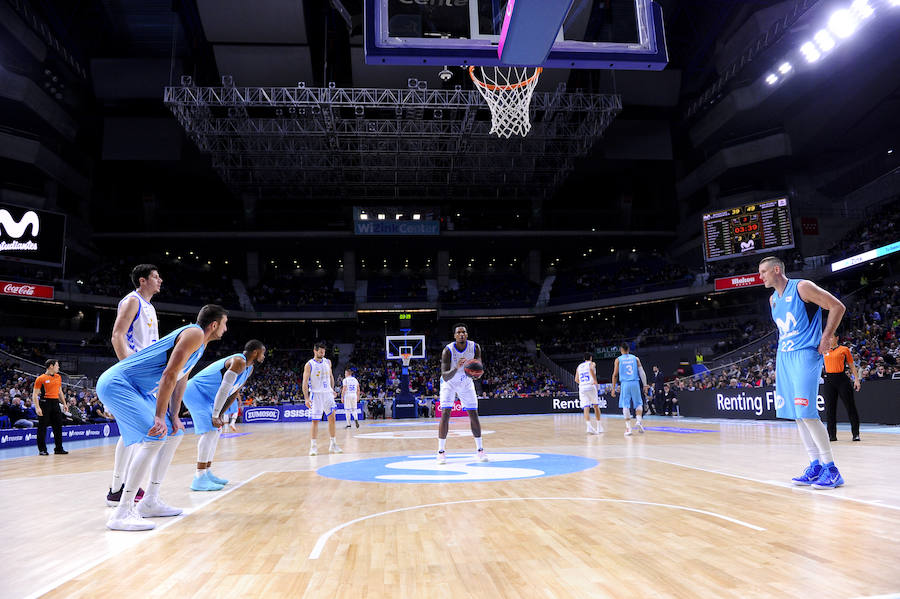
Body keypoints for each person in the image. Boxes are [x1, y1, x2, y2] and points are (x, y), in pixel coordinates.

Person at [96, 304, 227, 530]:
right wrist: (158, 415)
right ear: (214, 325)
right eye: (224, 325)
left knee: (174, 432)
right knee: (155, 435)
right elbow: (168, 375)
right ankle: (122, 511)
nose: (226, 330)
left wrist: (174, 415)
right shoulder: (194, 333)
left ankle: (150, 501)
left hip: (137, 389)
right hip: (118, 383)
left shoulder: (200, 344)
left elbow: (180, 378)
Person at [758, 256, 846, 489]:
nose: (761, 276)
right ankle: (815, 464)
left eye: (764, 271)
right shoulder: (772, 299)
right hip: (784, 357)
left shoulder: (802, 287)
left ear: (777, 269)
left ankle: (832, 469)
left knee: (807, 412)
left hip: (805, 354)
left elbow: (837, 306)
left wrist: (826, 336)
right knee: (797, 414)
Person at [106, 264, 162, 507]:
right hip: (133, 374)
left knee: (133, 434)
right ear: (142, 280)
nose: (160, 280)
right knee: (138, 433)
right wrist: (129, 368)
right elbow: (117, 335)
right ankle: (118, 488)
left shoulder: (149, 306)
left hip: (146, 377)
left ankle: (118, 488)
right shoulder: (132, 301)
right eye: (155, 277)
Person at [182, 339, 265, 491]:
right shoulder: (239, 361)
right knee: (209, 431)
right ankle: (199, 477)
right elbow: (223, 390)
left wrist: (220, 414)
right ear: (255, 352)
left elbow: (234, 392)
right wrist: (215, 415)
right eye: (263, 352)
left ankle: (206, 472)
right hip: (195, 392)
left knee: (216, 430)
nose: (264, 356)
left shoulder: (249, 368)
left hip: (208, 397)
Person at [437, 323, 487, 464]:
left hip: (466, 382)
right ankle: (441, 452)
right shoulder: (448, 350)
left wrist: (476, 374)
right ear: (454, 336)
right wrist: (457, 367)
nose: (461, 334)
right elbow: (445, 376)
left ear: (467, 334)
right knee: (445, 414)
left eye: (463, 332)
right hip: (449, 383)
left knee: (473, 414)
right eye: (458, 332)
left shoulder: (475, 347)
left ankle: (480, 450)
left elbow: (479, 369)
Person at [303, 342, 342, 456]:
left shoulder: (328, 361)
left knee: (332, 418)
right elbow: (305, 382)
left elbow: (331, 376)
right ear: (315, 351)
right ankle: (313, 446)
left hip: (328, 394)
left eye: (324, 351)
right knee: (315, 421)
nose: (322, 353)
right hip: (316, 394)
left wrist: (332, 389)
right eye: (320, 351)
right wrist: (306, 398)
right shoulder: (309, 364)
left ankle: (333, 444)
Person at [822, 334, 861, 442]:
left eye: (831, 337)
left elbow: (852, 365)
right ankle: (832, 435)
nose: (829, 340)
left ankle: (856, 434)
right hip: (829, 380)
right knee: (830, 409)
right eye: (828, 338)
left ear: (837, 338)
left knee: (850, 406)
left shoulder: (844, 349)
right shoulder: (824, 350)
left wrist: (856, 380)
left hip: (842, 379)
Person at [610, 342, 650, 436]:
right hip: (635, 383)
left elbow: (615, 375)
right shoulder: (635, 358)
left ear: (621, 350)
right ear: (628, 349)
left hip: (625, 384)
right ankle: (639, 421)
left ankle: (628, 428)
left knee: (625, 405)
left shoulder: (618, 360)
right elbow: (642, 372)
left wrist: (613, 388)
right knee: (639, 403)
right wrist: (645, 385)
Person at [32, 359, 67, 456]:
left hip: (55, 403)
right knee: (42, 427)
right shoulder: (40, 378)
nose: (58, 367)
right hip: (45, 403)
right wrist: (37, 407)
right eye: (57, 365)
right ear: (51, 366)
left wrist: (64, 404)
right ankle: (42, 449)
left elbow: (60, 392)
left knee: (58, 427)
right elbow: (35, 394)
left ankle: (59, 448)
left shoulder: (58, 377)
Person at [576, 353, 603, 434]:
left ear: (584, 358)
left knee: (586, 407)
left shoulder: (579, 366)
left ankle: (589, 427)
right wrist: (595, 381)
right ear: (591, 358)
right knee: (596, 406)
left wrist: (583, 383)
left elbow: (576, 379)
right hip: (590, 386)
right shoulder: (592, 363)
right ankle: (599, 427)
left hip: (582, 387)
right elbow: (591, 369)